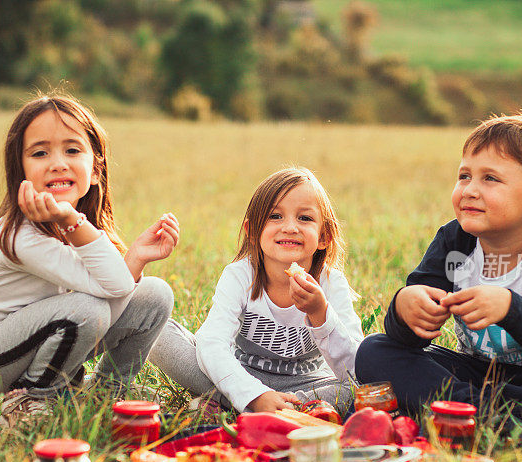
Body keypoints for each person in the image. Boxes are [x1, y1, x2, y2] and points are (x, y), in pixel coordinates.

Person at [355, 111, 522, 434]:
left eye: (490, 179)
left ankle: (467, 414)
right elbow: (409, 340)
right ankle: (496, 417)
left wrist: (512, 308)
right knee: (375, 350)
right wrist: (404, 308)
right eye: (464, 176)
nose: (469, 189)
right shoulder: (454, 241)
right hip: (474, 372)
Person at [0, 93, 179, 429]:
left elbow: (114, 287)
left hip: (38, 336)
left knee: (155, 295)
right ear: (20, 172)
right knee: (88, 311)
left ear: (95, 170)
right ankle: (30, 397)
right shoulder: (22, 236)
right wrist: (73, 222)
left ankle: (108, 392)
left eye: (72, 150)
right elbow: (105, 295)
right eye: (40, 153)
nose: (57, 163)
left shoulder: (75, 224)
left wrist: (136, 258)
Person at [149, 168, 363, 414]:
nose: (290, 227)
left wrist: (320, 314)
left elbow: (354, 368)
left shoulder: (330, 283)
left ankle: (237, 405)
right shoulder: (240, 275)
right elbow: (212, 343)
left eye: (304, 218)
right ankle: (270, 407)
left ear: (324, 236)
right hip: (239, 372)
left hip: (310, 384)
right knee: (159, 334)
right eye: (275, 216)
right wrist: (254, 394)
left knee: (365, 383)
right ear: (252, 231)